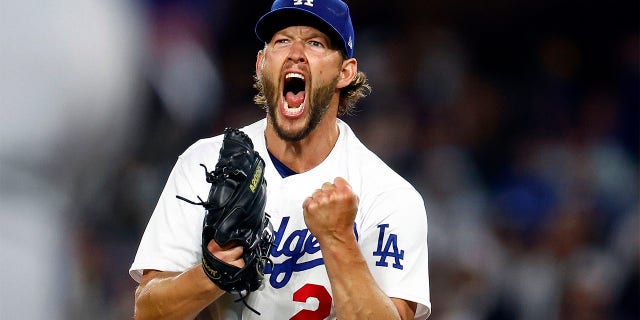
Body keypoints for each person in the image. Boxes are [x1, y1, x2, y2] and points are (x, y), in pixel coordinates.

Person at [130, 0, 431, 319]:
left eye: (315, 43)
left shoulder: (388, 196)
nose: (296, 52)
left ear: (345, 72)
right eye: (282, 40)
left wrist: (338, 239)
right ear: (261, 63)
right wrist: (212, 274)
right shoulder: (206, 163)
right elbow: (148, 311)